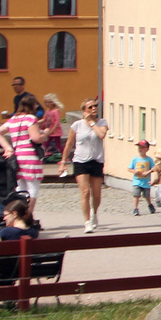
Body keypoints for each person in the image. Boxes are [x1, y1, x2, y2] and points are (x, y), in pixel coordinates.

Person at [56, 99, 108, 233]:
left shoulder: (102, 123)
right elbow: (68, 144)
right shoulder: (77, 125)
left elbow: (101, 135)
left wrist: (91, 123)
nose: (94, 108)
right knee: (85, 192)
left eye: (95, 106)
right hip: (80, 161)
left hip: (96, 161)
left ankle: (94, 213)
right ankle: (87, 222)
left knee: (96, 194)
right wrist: (63, 162)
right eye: (90, 107)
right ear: (84, 110)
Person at [0, 95, 46, 220]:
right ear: (33, 106)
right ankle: (27, 216)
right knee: (33, 188)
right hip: (30, 156)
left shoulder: (13, 119)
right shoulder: (31, 118)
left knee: (21, 188)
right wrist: (45, 134)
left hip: (17, 157)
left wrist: (8, 148)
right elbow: (36, 138)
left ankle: (19, 216)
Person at [129, 139, 156, 216]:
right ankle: (135, 209)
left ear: (147, 149)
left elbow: (154, 168)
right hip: (137, 181)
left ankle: (150, 205)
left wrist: (148, 172)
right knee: (136, 195)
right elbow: (129, 168)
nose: (140, 149)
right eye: (139, 148)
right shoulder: (135, 159)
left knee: (147, 196)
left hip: (146, 182)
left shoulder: (149, 159)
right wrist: (135, 172)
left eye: (142, 148)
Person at [39, 94, 64, 162]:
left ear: (52, 102)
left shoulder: (55, 111)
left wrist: (52, 130)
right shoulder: (48, 111)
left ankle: (65, 157)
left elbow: (56, 122)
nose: (46, 104)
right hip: (49, 131)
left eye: (47, 102)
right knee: (46, 143)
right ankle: (44, 155)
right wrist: (37, 122)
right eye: (45, 102)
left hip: (55, 132)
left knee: (58, 145)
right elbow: (44, 119)